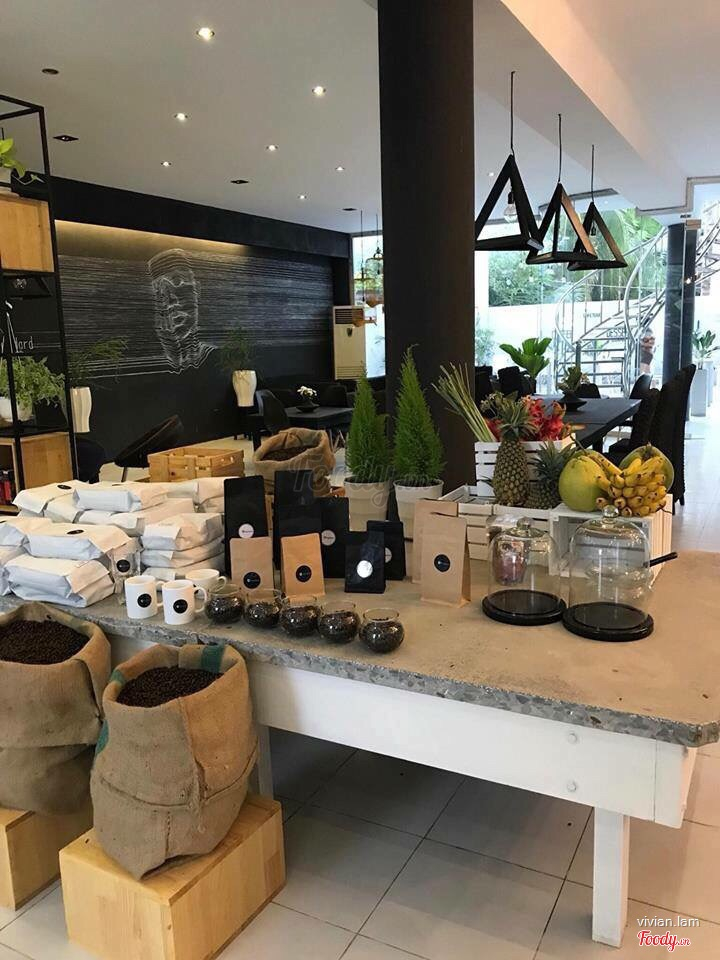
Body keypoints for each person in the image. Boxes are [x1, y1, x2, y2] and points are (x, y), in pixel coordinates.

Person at [147, 248, 213, 372]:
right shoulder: (149, 363)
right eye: (158, 289)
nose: (169, 301)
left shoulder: (217, 358)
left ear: (197, 289)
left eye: (177, 281)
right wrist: (171, 347)